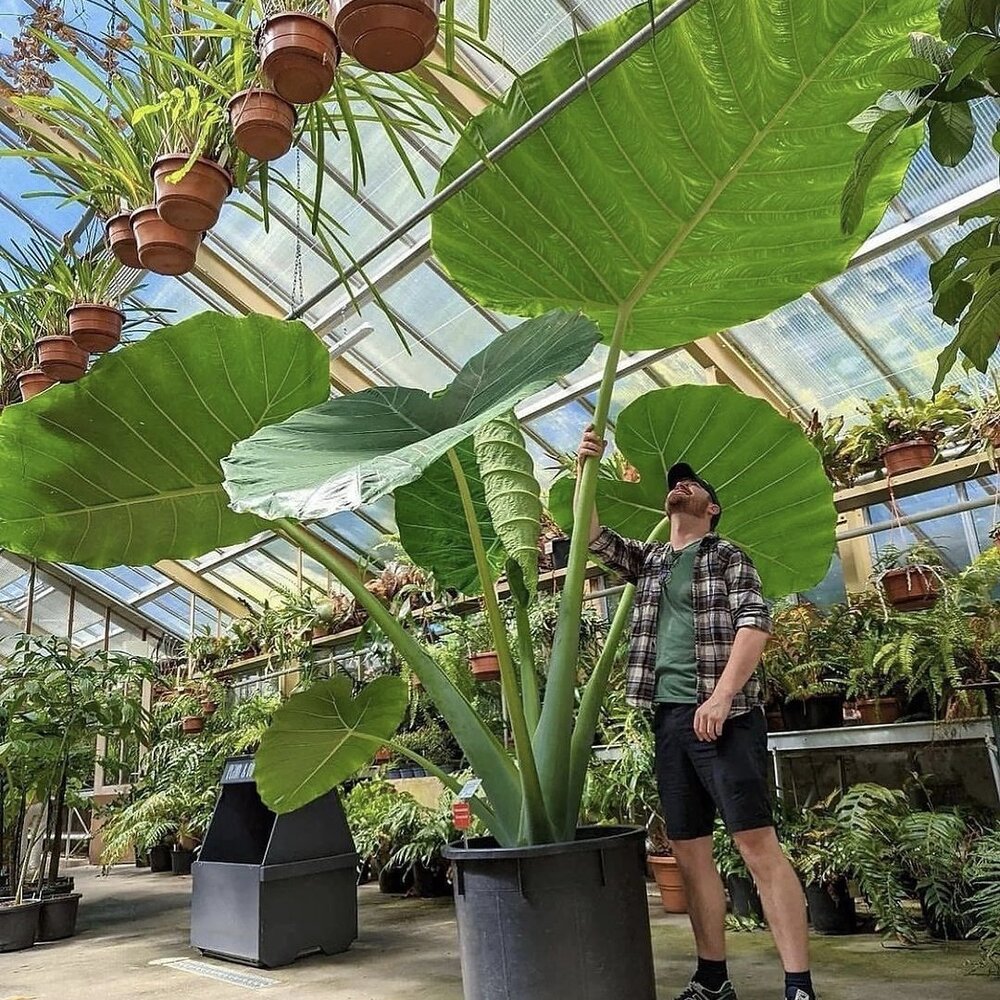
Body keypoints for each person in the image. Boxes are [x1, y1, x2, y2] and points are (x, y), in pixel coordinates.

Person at [577, 426, 814, 1000]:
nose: (679, 485)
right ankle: (713, 979)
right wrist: (587, 465)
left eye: (692, 483)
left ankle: (798, 984)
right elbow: (590, 536)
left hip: (726, 718)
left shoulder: (727, 554)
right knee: (688, 850)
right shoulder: (653, 560)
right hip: (670, 719)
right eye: (675, 482)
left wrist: (722, 697)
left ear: (713, 508)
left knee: (757, 845)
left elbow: (755, 622)